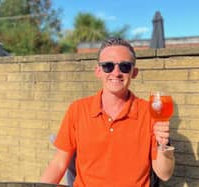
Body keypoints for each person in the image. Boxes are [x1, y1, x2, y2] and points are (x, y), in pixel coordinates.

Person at [41, 37, 175, 187]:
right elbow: (59, 164)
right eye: (108, 66)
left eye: (124, 66)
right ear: (98, 71)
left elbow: (164, 174)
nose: (116, 72)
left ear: (134, 72)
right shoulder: (78, 110)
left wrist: (163, 145)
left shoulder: (149, 113)